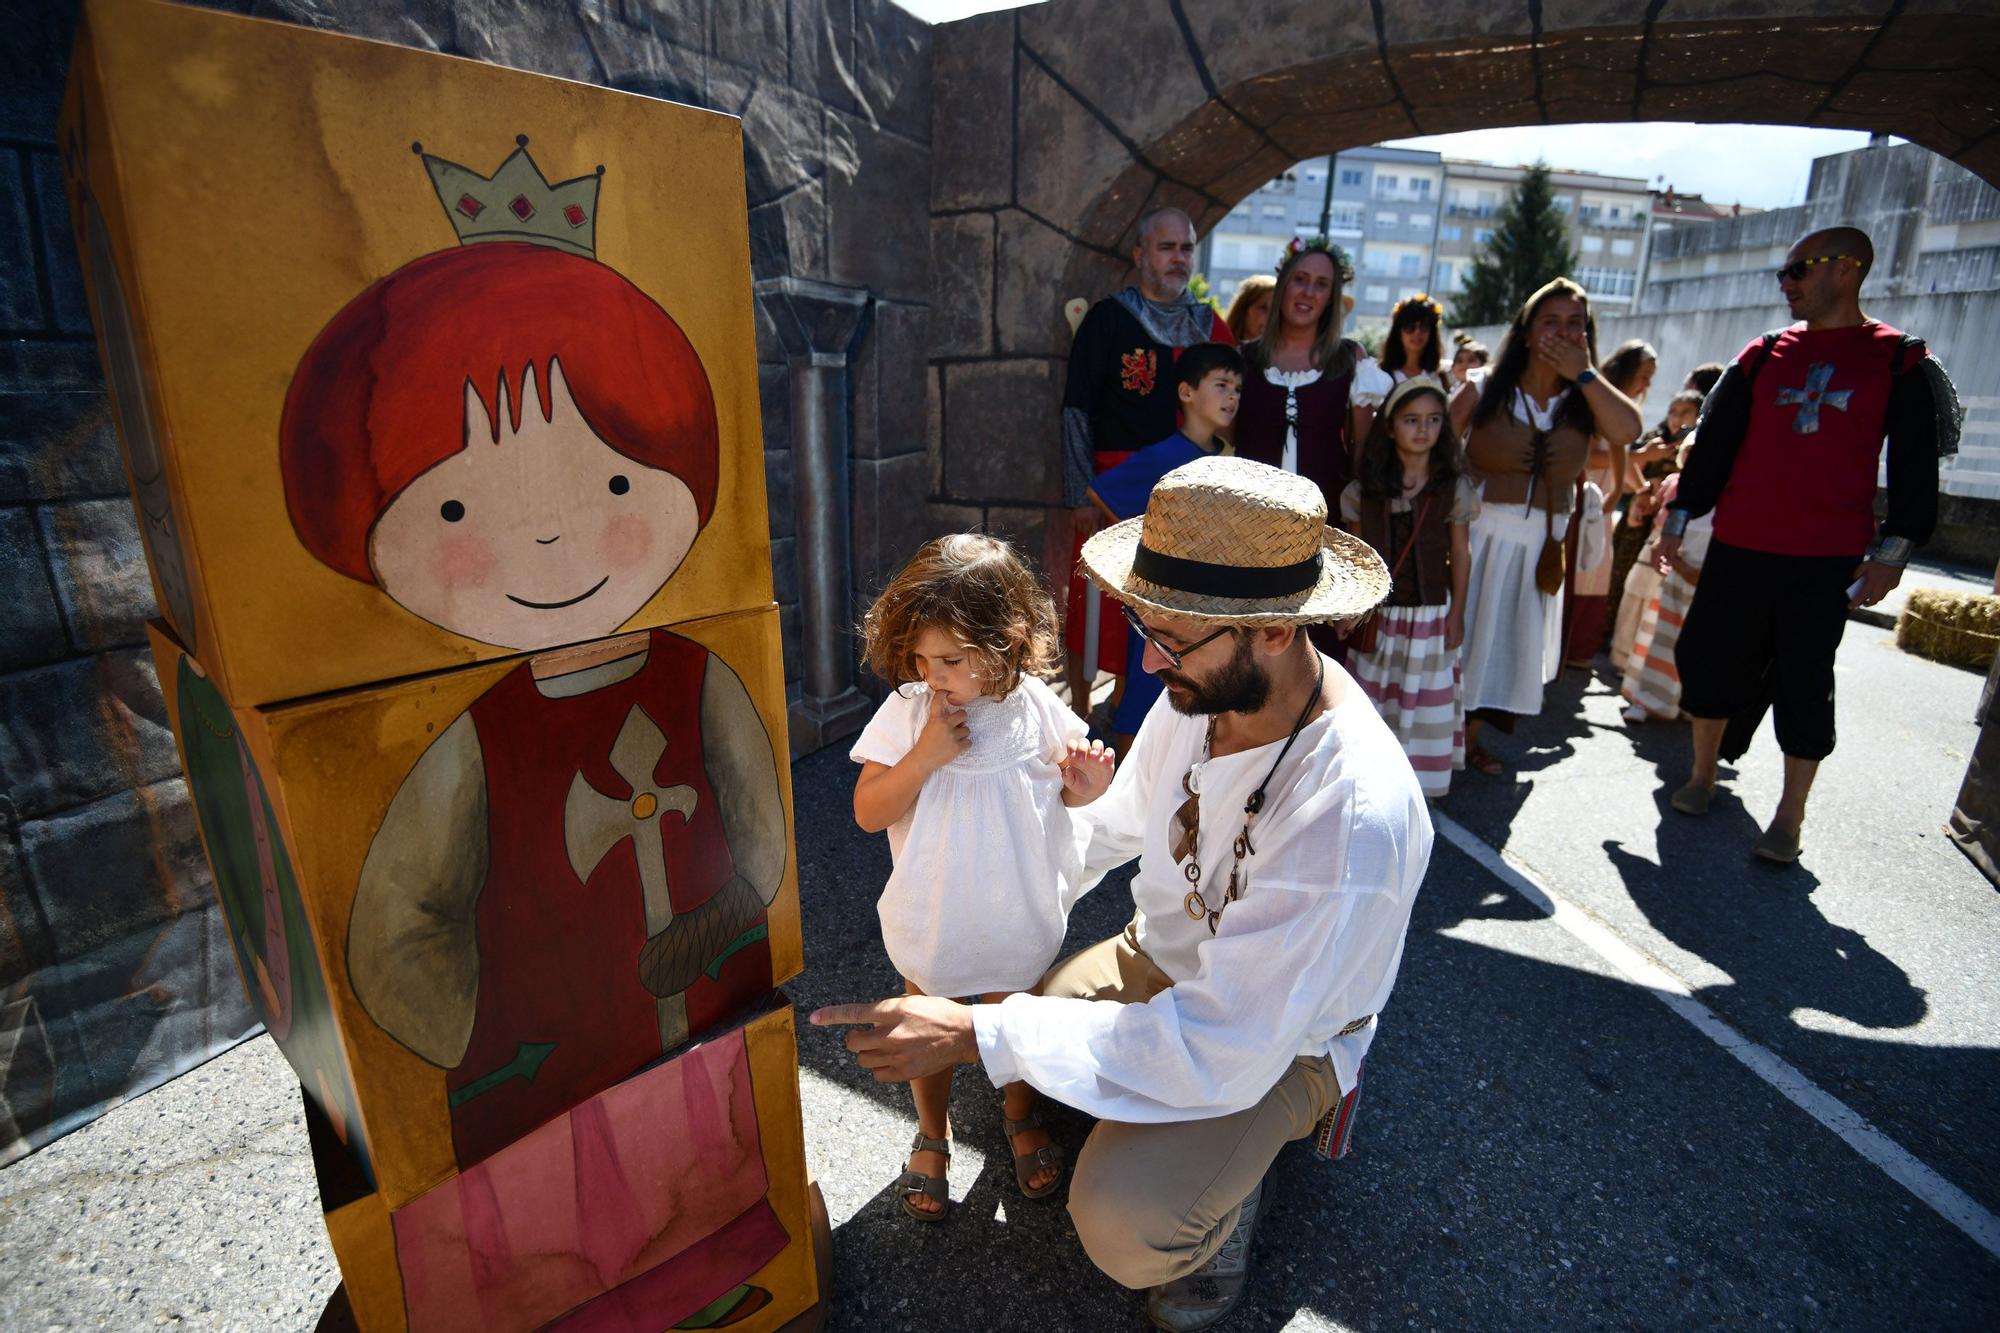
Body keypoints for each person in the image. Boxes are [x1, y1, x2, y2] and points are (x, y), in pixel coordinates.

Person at [814, 456, 1428, 1332]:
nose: (1147, 656)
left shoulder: (1350, 814)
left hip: (1272, 1036)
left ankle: (1230, 1195)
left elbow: (1225, 1037)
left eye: (1172, 636)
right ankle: (1181, 1136)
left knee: (1121, 1222)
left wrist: (978, 1025)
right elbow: (1114, 824)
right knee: (1045, 1053)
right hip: (1162, 958)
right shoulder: (1200, 689)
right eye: (1148, 623)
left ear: (1276, 631)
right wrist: (1003, 906)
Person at [1660, 225, 1958, 862]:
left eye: (1799, 270)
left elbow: (1914, 469)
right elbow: (1713, 449)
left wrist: (1892, 557)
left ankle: (1789, 817)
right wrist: (1678, 519)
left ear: (1846, 270)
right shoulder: (1763, 353)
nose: (1786, 283)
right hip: (1741, 544)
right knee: (1708, 659)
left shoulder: (1898, 358)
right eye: (1784, 272)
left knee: (1804, 682)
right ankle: (1702, 774)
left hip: (1824, 558)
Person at [850, 533, 1118, 1221]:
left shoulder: (1034, 707)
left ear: (1006, 641)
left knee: (1013, 1017)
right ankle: (932, 1131)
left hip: (1016, 906)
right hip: (933, 909)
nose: (931, 671)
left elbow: (1065, 794)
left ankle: (1019, 1109)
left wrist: (1087, 785)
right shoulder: (912, 711)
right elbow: (868, 809)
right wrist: (924, 755)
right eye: (920, 656)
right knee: (926, 1022)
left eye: (951, 658)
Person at [1448, 278, 1642, 775]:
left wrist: (1585, 375)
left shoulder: (1584, 399)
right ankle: (1435, 736)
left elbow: (1628, 431)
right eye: (1550, 322)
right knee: (1461, 642)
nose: (1563, 332)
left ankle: (1470, 739)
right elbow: (1436, 450)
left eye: (1575, 324)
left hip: (1541, 548)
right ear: (1529, 333)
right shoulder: (1485, 388)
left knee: (1507, 649)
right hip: (1478, 538)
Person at [1062, 208, 1234, 722]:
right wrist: (1078, 495)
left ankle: (1135, 712)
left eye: (1185, 248)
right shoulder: (1107, 319)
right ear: (1140, 255)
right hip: (1109, 487)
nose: (1177, 258)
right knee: (1091, 608)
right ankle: (1077, 710)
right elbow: (1076, 409)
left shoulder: (1210, 324)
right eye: (1166, 247)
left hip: (1185, 491)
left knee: (1159, 609)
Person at [1088, 342, 1244, 754]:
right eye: (1222, 384)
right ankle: (1123, 781)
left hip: (1208, 602)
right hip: (1160, 600)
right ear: (1187, 392)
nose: (1232, 396)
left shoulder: (1228, 456)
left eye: (1238, 389)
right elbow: (1103, 492)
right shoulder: (1163, 455)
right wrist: (1152, 546)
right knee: (1144, 690)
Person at [1339, 375, 1477, 799]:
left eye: (1434, 420)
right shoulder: (1363, 492)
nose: (1423, 430)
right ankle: (1369, 785)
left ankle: (1418, 789)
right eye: (1411, 420)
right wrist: (1350, 608)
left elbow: (1461, 553)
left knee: (1423, 704)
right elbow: (1355, 559)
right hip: (1380, 616)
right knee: (1374, 700)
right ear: (1391, 426)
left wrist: (1457, 614)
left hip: (1431, 615)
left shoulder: (1452, 488)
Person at [1563, 339, 1655, 666]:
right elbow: (1589, 454)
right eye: (1643, 375)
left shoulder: (1618, 410)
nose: (1646, 384)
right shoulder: (1593, 403)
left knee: (1594, 572)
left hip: (1599, 507)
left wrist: (1637, 489)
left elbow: (1622, 455)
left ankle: (1577, 649)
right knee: (1576, 571)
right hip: (1583, 501)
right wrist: (1642, 461)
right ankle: (1564, 648)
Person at [1610, 388, 1703, 667]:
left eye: (1685, 412)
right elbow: (1631, 468)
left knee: (1657, 602)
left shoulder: (1700, 468)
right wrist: (1643, 496)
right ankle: (1620, 651)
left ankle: (1643, 659)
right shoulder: (1657, 445)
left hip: (1677, 545)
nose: (1677, 419)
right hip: (1647, 535)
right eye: (1673, 412)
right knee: (1632, 589)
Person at [1621, 438, 1710, 722]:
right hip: (1677, 573)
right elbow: (1667, 529)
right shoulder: (1682, 491)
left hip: (1709, 581)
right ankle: (1646, 699)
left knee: (1698, 646)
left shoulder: (1730, 493)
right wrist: (1680, 564)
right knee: (1662, 639)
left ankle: (1686, 703)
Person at [1223, 273, 1275, 344]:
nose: (1271, 316)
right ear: (1243, 310)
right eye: (1263, 308)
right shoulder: (1219, 351)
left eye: (1276, 310)